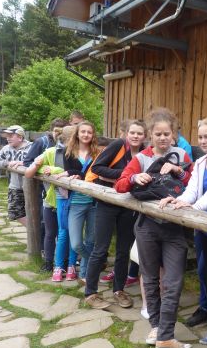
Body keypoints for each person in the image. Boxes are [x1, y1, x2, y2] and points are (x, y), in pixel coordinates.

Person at [115, 107, 193, 348]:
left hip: (175, 228)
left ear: (173, 134)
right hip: (147, 226)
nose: (162, 138)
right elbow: (120, 184)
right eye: (158, 134)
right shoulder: (141, 158)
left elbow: (195, 184)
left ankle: (164, 333)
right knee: (149, 278)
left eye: (166, 134)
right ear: (150, 134)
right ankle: (159, 329)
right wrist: (135, 178)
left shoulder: (182, 155)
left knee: (173, 281)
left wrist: (179, 170)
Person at [159, 117, 207, 345]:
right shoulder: (201, 162)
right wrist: (177, 200)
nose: (203, 141)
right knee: (204, 275)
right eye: (200, 137)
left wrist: (193, 208)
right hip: (202, 228)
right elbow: (192, 190)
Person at [84, 119, 147, 310]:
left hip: (129, 205)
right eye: (132, 133)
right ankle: (91, 292)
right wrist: (127, 176)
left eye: (139, 133)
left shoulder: (145, 153)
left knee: (123, 250)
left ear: (144, 136)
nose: (135, 136)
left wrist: (127, 179)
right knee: (100, 248)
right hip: (108, 202)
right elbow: (97, 168)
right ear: (126, 134)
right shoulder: (118, 145)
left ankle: (119, 290)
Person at [26, 125, 78, 282]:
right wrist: (39, 166)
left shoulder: (76, 154)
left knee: (67, 232)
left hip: (71, 199)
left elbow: (78, 171)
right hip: (51, 199)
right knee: (51, 232)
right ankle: (49, 262)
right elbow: (29, 171)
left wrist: (54, 170)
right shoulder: (50, 152)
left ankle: (67, 262)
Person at [63, 121, 99, 282]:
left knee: (90, 240)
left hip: (94, 202)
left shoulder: (97, 153)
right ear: (77, 134)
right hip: (76, 202)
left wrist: (77, 174)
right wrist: (74, 173)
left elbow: (98, 174)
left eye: (89, 132)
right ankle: (96, 261)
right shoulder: (69, 152)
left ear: (93, 135)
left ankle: (85, 273)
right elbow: (69, 172)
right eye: (83, 131)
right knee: (76, 243)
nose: (86, 135)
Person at [0, 125, 32, 226]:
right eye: (7, 136)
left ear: (20, 137)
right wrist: (7, 163)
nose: (8, 138)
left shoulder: (32, 148)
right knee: (15, 213)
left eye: (10, 136)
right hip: (15, 186)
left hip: (32, 186)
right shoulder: (6, 149)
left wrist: (23, 163)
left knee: (34, 212)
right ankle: (34, 231)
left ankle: (36, 232)